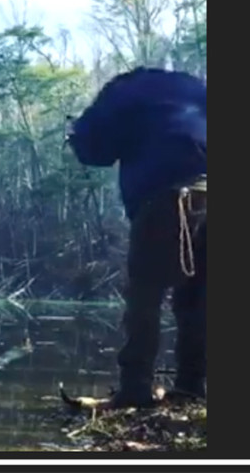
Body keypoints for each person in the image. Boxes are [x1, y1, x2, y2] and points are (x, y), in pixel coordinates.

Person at [66, 67, 207, 408]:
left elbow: (94, 150)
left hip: (166, 196)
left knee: (145, 296)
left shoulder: (122, 91)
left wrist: (74, 134)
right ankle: (191, 387)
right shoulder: (193, 87)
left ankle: (135, 389)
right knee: (197, 298)